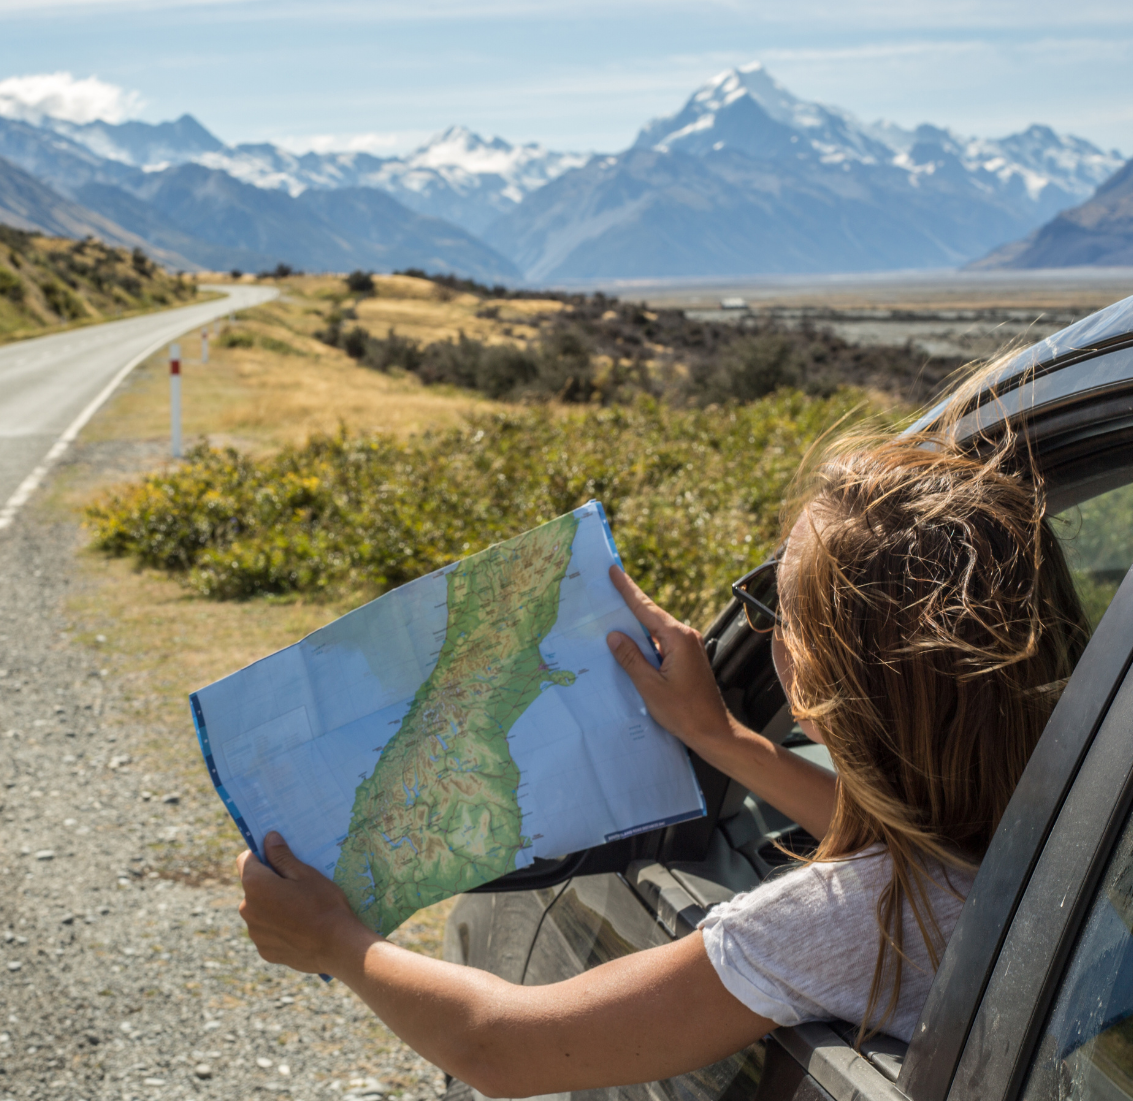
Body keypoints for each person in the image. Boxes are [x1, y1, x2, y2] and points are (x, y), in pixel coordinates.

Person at [235, 419, 1089, 1098]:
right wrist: (720, 737)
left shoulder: (847, 922)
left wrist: (338, 942)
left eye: (775, 612)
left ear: (819, 676)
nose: (766, 634)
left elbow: (500, 1046)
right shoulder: (1068, 824)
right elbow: (926, 847)